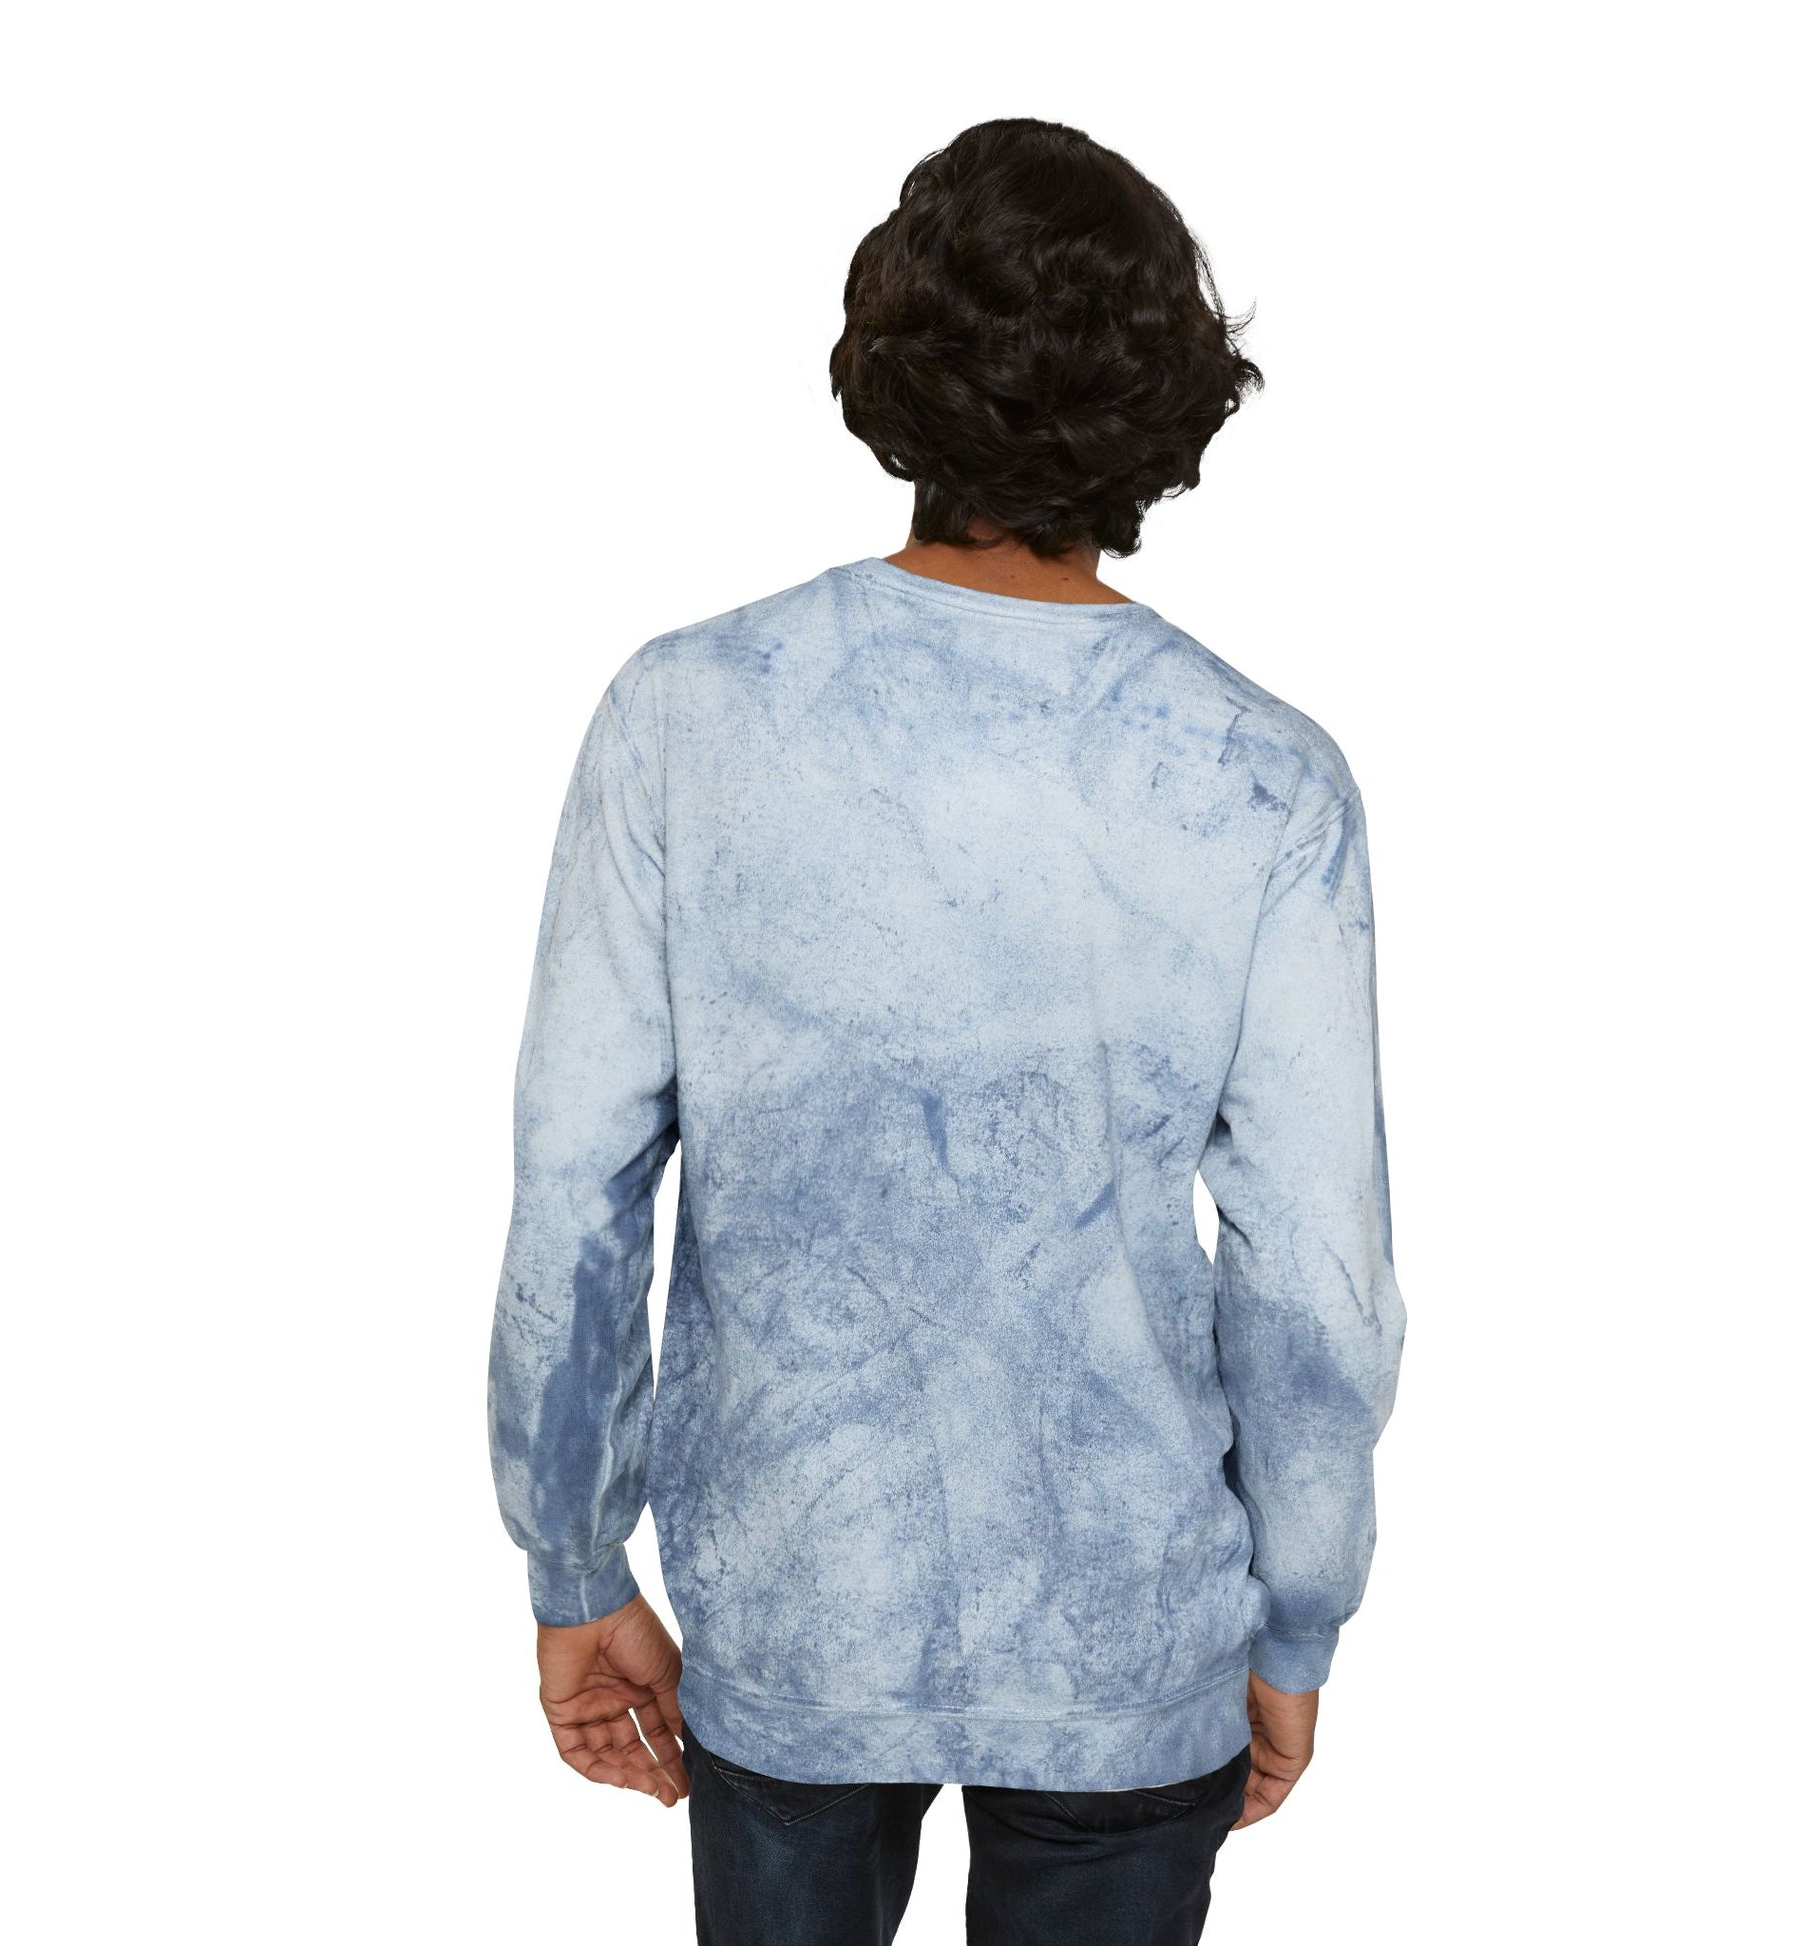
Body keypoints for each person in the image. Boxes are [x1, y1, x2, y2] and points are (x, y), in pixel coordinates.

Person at [488, 116, 1408, 1946]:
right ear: (1166, 399)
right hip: (1129, 1625)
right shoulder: (1259, 773)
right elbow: (1315, 1278)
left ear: (887, 369)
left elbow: (575, 1186)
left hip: (796, 1604)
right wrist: (1295, 1616)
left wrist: (574, 1561)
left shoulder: (685, 713)